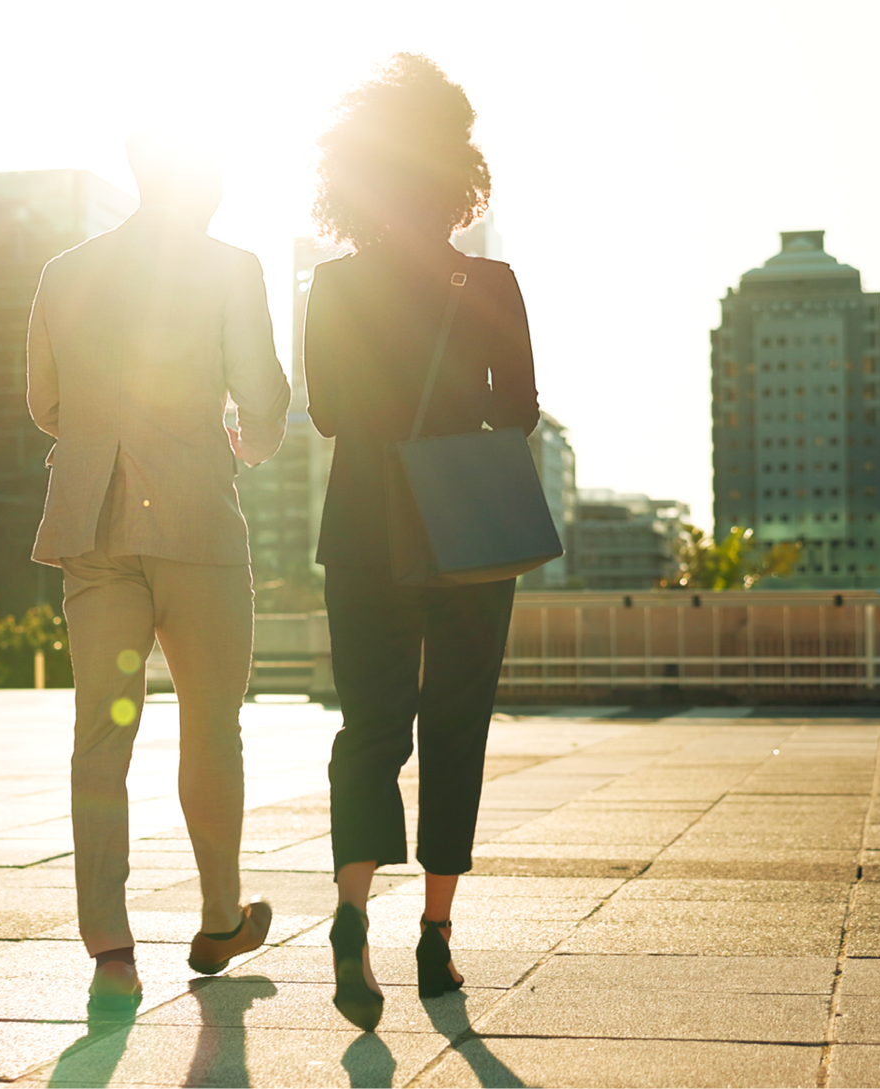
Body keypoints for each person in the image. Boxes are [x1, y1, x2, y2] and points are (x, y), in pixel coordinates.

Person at [26, 128, 292, 1014]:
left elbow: (43, 401)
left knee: (100, 736)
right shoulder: (230, 267)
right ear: (204, 182)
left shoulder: (65, 271)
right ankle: (220, 915)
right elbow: (261, 393)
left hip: (94, 525)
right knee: (211, 726)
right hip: (195, 524)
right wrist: (246, 446)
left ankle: (109, 944)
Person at [301, 55, 540, 1030]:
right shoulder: (485, 279)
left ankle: (351, 911)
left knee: (368, 726)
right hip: (464, 528)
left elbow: (324, 415)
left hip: (362, 523)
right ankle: (435, 936)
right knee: (455, 726)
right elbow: (517, 411)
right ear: (455, 174)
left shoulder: (333, 286)